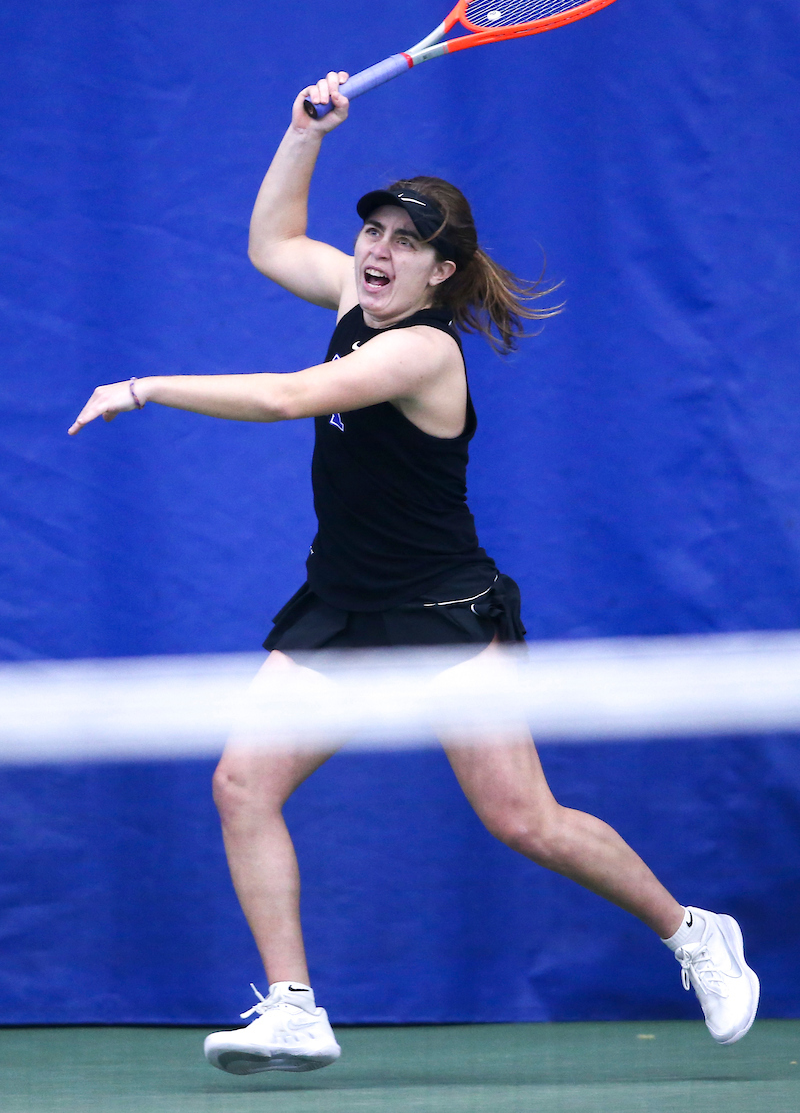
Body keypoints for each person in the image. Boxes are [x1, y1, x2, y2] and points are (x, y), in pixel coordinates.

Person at [69, 71, 760, 1074]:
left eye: (406, 240)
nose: (378, 252)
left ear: (443, 271)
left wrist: (145, 386)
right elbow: (268, 245)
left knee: (523, 820)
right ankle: (296, 1007)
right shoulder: (356, 295)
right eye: (374, 233)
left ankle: (694, 931)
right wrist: (302, 130)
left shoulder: (425, 352)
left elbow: (289, 396)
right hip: (343, 603)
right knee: (241, 784)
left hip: (440, 611)